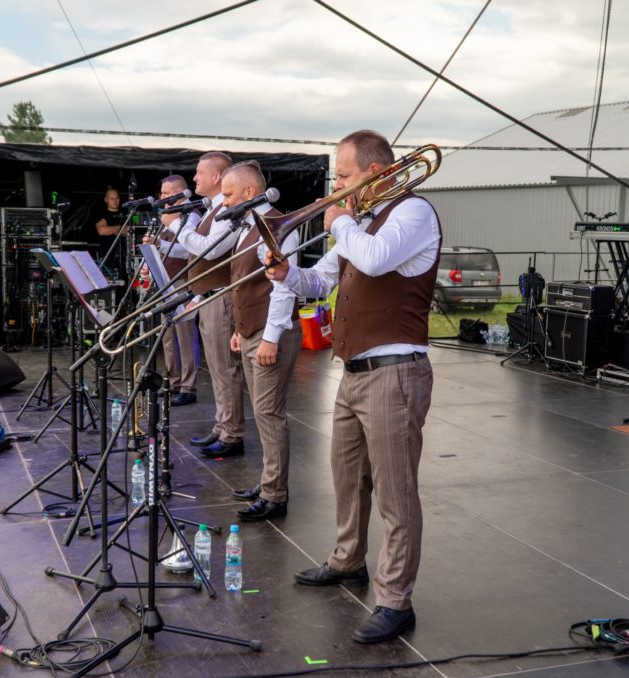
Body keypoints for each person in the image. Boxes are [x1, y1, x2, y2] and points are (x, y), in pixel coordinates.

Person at [266, 130, 441, 644]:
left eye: (342, 176)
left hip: (395, 372)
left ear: (373, 171)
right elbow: (320, 281)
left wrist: (340, 220)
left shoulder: (413, 212)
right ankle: (348, 560)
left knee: (395, 492)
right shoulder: (359, 224)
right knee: (347, 478)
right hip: (353, 373)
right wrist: (285, 275)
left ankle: (395, 600)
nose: (336, 186)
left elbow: (375, 259)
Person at [216, 162, 302, 521]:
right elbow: (247, 282)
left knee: (269, 413)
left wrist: (269, 338)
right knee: (262, 413)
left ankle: (275, 494)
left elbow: (282, 288)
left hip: (272, 333)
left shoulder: (277, 226)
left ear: (250, 193)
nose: (223, 202)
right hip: (254, 330)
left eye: (229, 194)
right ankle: (269, 480)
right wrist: (241, 329)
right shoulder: (248, 225)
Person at [178, 152, 246, 457]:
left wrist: (180, 228)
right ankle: (222, 425)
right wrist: (196, 295)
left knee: (224, 368)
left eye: (199, 172)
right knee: (217, 369)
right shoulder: (212, 209)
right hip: (208, 296)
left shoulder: (227, 210)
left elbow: (210, 250)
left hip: (221, 298)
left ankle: (232, 433)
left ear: (217, 176)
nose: (194, 178)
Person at [150, 174, 201, 407]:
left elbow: (189, 250)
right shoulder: (167, 216)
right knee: (168, 334)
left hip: (182, 281)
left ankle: (188, 386)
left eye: (167, 193)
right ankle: (172, 381)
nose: (162, 197)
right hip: (167, 281)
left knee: (185, 334)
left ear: (180, 193)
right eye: (161, 192)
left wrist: (160, 245)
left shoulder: (191, 216)